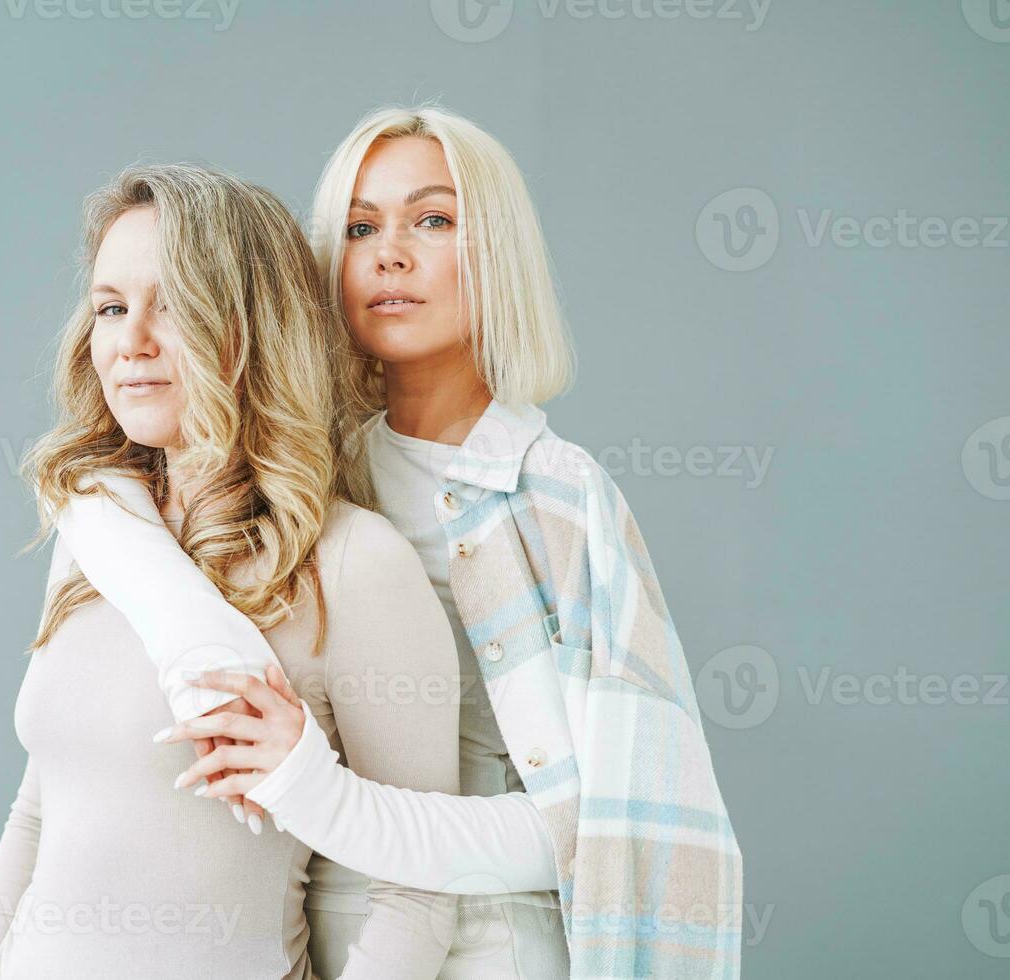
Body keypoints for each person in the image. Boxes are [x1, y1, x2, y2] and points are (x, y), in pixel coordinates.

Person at [53, 105, 744, 979]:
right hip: (314, 941)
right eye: (358, 226)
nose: (389, 253)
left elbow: (602, 829)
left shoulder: (558, 499)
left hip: (487, 947)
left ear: (495, 251)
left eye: (434, 220)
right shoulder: (309, 470)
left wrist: (323, 794)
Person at [0, 162, 465, 980]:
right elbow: (38, 809)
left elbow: (423, 888)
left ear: (253, 324)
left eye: (176, 307)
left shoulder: (352, 563)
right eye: (112, 309)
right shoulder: (96, 532)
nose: (133, 343)